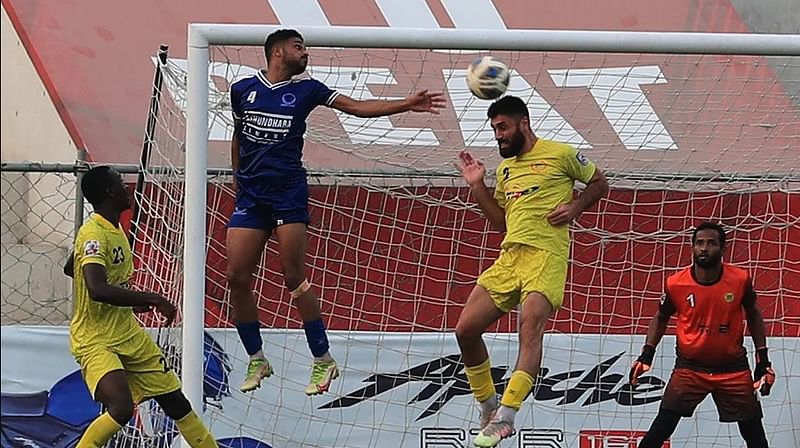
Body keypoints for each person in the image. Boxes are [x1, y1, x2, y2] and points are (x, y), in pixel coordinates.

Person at [227, 28, 446, 395]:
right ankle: (257, 357)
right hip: (250, 196)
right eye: (299, 47)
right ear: (277, 51)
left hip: (287, 195)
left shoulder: (307, 90)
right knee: (236, 277)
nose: (306, 53)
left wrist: (406, 104)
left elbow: (358, 108)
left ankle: (322, 358)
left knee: (293, 275)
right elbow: (238, 134)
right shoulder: (242, 90)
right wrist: (238, 179)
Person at [453, 95, 608, 447]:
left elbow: (600, 182)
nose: (498, 136)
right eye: (494, 130)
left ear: (523, 123)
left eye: (503, 127)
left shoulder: (562, 154)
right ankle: (489, 405)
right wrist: (477, 184)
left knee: (529, 327)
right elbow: (501, 223)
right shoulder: (505, 170)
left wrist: (576, 207)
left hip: (546, 255)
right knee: (465, 330)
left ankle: (507, 416)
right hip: (510, 258)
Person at [64, 166, 218, 448]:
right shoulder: (94, 234)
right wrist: (152, 298)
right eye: (120, 182)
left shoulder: (113, 229)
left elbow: (71, 268)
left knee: (176, 402)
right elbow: (97, 290)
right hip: (96, 339)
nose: (126, 187)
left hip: (128, 334)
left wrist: (125, 301)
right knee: (121, 408)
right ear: (110, 192)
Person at [629, 222, 774, 448]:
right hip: (690, 368)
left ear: (722, 249)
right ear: (692, 248)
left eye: (711, 243)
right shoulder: (676, 283)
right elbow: (660, 317)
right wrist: (647, 354)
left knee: (754, 435)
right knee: (661, 428)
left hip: (732, 369)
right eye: (699, 243)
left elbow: (754, 315)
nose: (704, 248)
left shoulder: (740, 280)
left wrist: (762, 360)